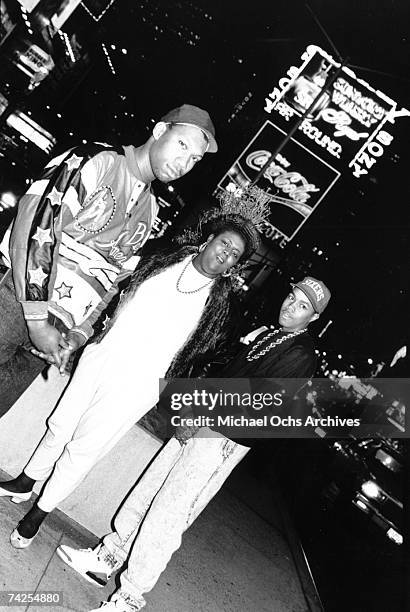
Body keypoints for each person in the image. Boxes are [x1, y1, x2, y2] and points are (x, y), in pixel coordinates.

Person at [0, 186, 270, 554]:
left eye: (234, 256)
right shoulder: (163, 257)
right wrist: (85, 335)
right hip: (104, 354)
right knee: (60, 423)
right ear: (209, 239)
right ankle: (26, 481)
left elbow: (203, 360)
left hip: (138, 385)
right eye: (224, 244)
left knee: (84, 448)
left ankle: (38, 514)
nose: (225, 255)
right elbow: (115, 289)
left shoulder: (219, 307)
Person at [55, 275, 330, 612]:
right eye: (292, 296)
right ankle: (109, 556)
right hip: (204, 421)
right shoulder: (272, 334)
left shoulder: (302, 353)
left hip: (223, 438)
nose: (291, 306)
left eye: (303, 306)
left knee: (170, 513)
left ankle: (130, 596)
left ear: (312, 318)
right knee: (150, 489)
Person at [0, 103, 217, 416]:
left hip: (56, 335)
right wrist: (36, 319)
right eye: (182, 145)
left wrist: (78, 334)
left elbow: (114, 282)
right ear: (159, 131)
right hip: (18, 305)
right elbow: (36, 225)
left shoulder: (150, 210)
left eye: (194, 158)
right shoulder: (96, 160)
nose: (184, 162)